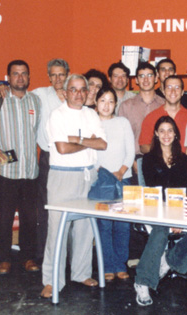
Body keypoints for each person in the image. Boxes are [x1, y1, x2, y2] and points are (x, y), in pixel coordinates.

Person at [0, 58, 69, 262]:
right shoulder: (38, 95)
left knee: (53, 212)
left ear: (67, 75)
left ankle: (56, 256)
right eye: (53, 74)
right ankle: (30, 256)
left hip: (62, 163)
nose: (58, 78)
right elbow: (16, 90)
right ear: (48, 77)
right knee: (32, 213)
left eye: (61, 74)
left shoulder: (75, 93)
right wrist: (2, 87)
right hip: (38, 161)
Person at [41, 74, 107, 298]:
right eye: (74, 89)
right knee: (57, 230)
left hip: (89, 176)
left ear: (87, 91)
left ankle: (80, 272)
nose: (78, 94)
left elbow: (102, 143)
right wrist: (86, 141)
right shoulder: (57, 115)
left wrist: (76, 139)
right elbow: (62, 149)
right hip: (63, 177)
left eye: (82, 89)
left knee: (85, 228)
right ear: (66, 92)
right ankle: (52, 281)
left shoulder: (91, 114)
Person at [134, 116, 187, 306]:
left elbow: (182, 190)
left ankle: (169, 261)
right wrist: (170, 218)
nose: (166, 135)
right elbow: (154, 188)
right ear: (156, 134)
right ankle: (142, 281)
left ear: (176, 135)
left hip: (178, 208)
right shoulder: (148, 159)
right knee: (161, 229)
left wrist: (178, 217)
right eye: (162, 131)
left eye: (170, 130)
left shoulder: (184, 159)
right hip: (155, 208)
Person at [0, 59, 41, 275]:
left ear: (29, 77)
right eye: (15, 74)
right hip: (5, 170)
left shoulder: (35, 101)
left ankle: (28, 257)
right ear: (8, 77)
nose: (20, 77)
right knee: (3, 217)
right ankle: (3, 259)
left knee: (29, 218)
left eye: (24, 73)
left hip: (30, 170)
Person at [95, 86, 135, 282]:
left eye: (111, 101)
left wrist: (120, 171)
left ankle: (120, 264)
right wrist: (103, 172)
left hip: (123, 179)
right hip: (101, 182)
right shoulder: (91, 123)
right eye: (102, 100)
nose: (107, 105)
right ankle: (107, 265)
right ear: (96, 102)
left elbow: (131, 151)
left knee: (122, 225)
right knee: (104, 225)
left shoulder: (122, 122)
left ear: (115, 104)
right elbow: (89, 153)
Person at [118, 62, 165, 184]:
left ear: (156, 78)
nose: (146, 79)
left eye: (149, 75)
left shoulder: (165, 105)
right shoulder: (126, 106)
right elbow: (120, 139)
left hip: (160, 160)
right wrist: (131, 162)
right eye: (141, 76)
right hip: (134, 161)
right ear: (137, 80)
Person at [139, 75, 187, 153]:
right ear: (164, 91)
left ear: (182, 92)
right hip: (158, 163)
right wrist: (163, 155)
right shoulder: (151, 117)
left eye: (177, 88)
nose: (173, 92)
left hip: (184, 163)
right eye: (169, 88)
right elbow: (143, 146)